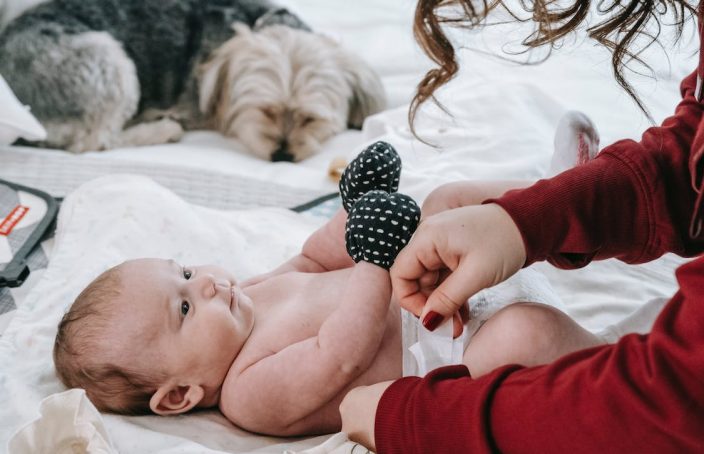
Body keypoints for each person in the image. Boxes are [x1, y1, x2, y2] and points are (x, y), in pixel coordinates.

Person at [339, 0, 704, 452]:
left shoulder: (249, 384)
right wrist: (523, 220)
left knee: (523, 333)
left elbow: (675, 400)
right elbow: (689, 159)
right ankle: (550, 182)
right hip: (447, 320)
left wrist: (414, 422)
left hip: (456, 346)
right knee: (451, 208)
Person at [52, 141, 598, 438]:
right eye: (186, 307)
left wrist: (357, 208)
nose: (210, 284)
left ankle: (568, 197)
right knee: (525, 333)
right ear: (179, 395)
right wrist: (374, 257)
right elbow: (339, 354)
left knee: (447, 202)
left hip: (434, 282)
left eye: (187, 272)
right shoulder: (249, 394)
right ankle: (622, 370)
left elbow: (314, 258)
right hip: (451, 347)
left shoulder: (252, 295)